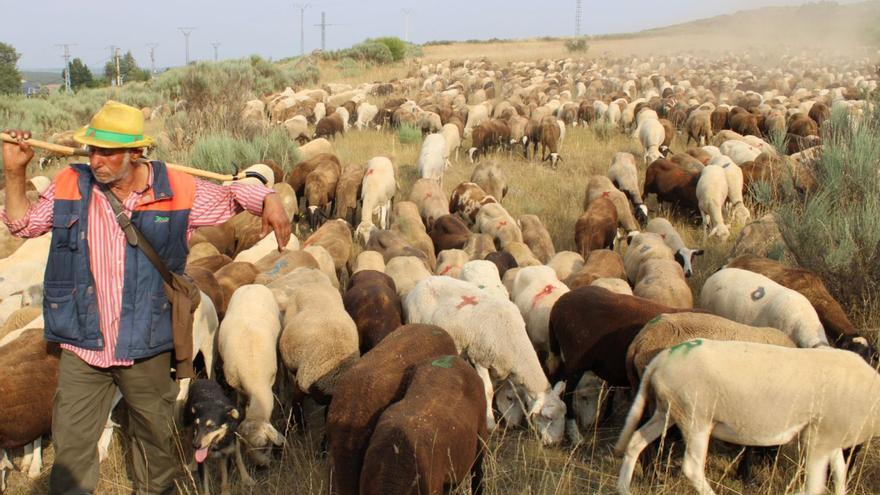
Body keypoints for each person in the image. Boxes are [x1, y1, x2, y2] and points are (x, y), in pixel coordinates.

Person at [1, 100, 291, 495]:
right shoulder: (71, 183)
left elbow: (231, 196)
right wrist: (15, 172)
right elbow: (22, 222)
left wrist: (268, 198)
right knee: (70, 454)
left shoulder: (178, 189)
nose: (96, 160)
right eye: (92, 150)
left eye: (108, 152)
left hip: (146, 346)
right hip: (83, 347)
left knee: (155, 449)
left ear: (135, 152)